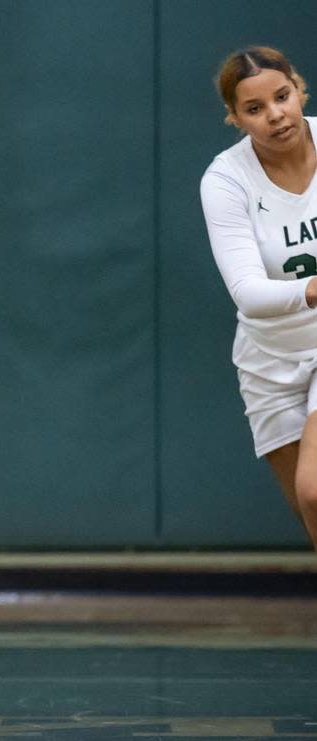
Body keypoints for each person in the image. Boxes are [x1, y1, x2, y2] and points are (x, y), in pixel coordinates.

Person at [200, 46, 317, 548]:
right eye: (254, 108)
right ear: (234, 117)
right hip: (269, 359)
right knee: (310, 512)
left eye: (282, 97)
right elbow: (249, 294)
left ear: (298, 89)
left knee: (315, 490)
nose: (275, 115)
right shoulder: (226, 179)